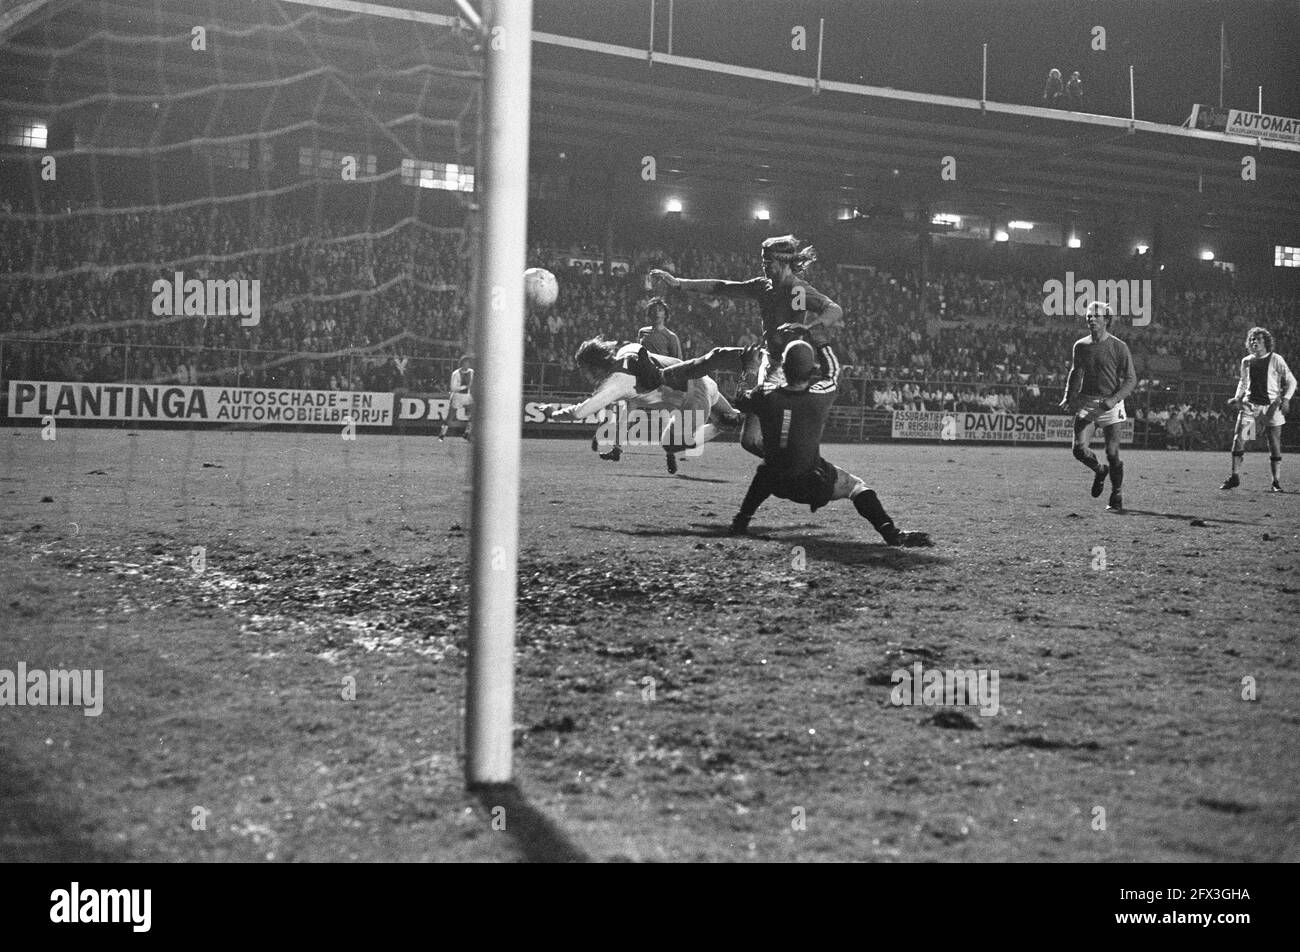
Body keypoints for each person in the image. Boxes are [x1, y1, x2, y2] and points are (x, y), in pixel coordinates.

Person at [649, 235, 843, 456]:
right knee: (717, 356)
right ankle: (660, 376)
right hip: (767, 357)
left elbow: (833, 309)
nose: (763, 266)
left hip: (781, 370)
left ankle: (796, 464)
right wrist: (679, 283)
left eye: (767, 262)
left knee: (751, 441)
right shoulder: (763, 286)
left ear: (782, 262)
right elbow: (722, 287)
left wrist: (811, 327)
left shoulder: (796, 290)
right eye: (763, 262)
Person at [728, 339, 932, 547]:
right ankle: (891, 533)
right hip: (811, 484)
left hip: (775, 482)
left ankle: (740, 521)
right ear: (811, 371)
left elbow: (740, 397)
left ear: (784, 368)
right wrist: (820, 341)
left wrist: (750, 368)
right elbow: (833, 371)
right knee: (855, 486)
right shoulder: (820, 396)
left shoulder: (765, 394)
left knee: (768, 469)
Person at [544, 336, 738, 475]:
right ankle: (746, 415)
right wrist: (618, 445)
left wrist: (553, 413)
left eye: (584, 370)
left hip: (694, 400)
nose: (583, 375)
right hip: (700, 379)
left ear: (595, 367)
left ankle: (722, 424)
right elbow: (629, 405)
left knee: (670, 444)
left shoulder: (615, 383)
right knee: (733, 417)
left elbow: (580, 412)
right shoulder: (626, 352)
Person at [1059, 301, 1136, 512]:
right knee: (1079, 450)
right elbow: (1076, 372)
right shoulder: (1081, 346)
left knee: (1112, 452)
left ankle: (1116, 495)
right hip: (1087, 402)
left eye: (1096, 316)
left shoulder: (1119, 347)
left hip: (1110, 404)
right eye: (1088, 316)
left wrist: (1115, 398)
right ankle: (1100, 470)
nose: (1091, 319)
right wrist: (1068, 396)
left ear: (1107, 320)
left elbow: (1131, 379)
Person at [1220, 327, 1296, 492]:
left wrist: (1286, 399)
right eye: (1252, 339)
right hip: (1250, 407)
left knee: (1273, 442)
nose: (1254, 342)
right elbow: (1243, 381)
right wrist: (1237, 397)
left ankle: (1276, 482)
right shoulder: (1246, 360)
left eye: (1259, 340)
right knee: (1240, 439)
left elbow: (1292, 381)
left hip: (1271, 407)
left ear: (1266, 343)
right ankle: (1234, 477)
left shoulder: (1276, 359)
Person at [438, 355, 473, 441]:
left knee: (472, 415)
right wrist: (465, 387)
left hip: (467, 397)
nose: (466, 365)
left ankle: (467, 433)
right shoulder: (456, 373)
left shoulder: (472, 372)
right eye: (465, 363)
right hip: (457, 397)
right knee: (450, 416)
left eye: (468, 363)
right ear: (461, 364)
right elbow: (453, 388)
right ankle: (442, 434)